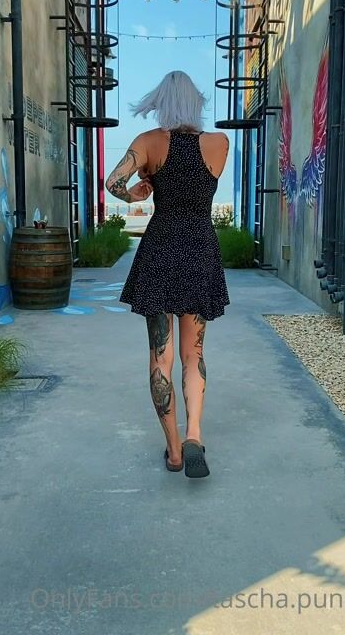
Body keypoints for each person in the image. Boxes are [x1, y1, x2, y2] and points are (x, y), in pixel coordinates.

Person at [105, 71, 230, 478]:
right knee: (194, 355)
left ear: (161, 103)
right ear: (196, 103)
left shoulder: (149, 142)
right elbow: (198, 185)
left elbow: (113, 182)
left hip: (160, 249)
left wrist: (135, 193)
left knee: (161, 356)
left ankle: (174, 452)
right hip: (199, 249)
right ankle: (194, 434)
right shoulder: (219, 144)